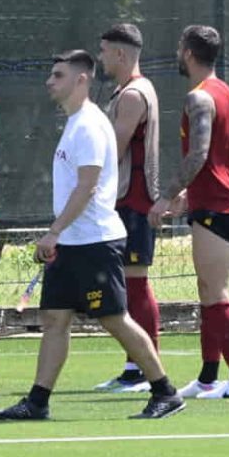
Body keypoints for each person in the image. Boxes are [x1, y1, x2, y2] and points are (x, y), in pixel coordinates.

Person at [0, 51, 185, 420]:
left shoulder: (90, 125)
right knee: (55, 319)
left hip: (95, 242)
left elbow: (87, 187)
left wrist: (53, 232)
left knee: (114, 319)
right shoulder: (75, 123)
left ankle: (166, 392)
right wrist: (60, 236)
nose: (50, 81)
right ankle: (37, 402)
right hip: (71, 243)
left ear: (82, 79)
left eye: (58, 75)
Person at [149, 25, 229, 400]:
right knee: (207, 289)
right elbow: (215, 160)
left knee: (215, 290)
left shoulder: (200, 97)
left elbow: (199, 155)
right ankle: (209, 376)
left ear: (189, 53)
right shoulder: (225, 92)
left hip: (220, 204)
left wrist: (165, 196)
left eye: (180, 48)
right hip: (221, 200)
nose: (177, 54)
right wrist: (187, 195)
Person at [94, 23, 163, 393]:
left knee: (135, 284)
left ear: (120, 53)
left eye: (104, 51)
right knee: (127, 283)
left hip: (133, 201)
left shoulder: (134, 94)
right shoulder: (126, 91)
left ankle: (146, 370)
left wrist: (88, 186)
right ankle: (134, 366)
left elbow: (113, 151)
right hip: (124, 200)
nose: (101, 58)